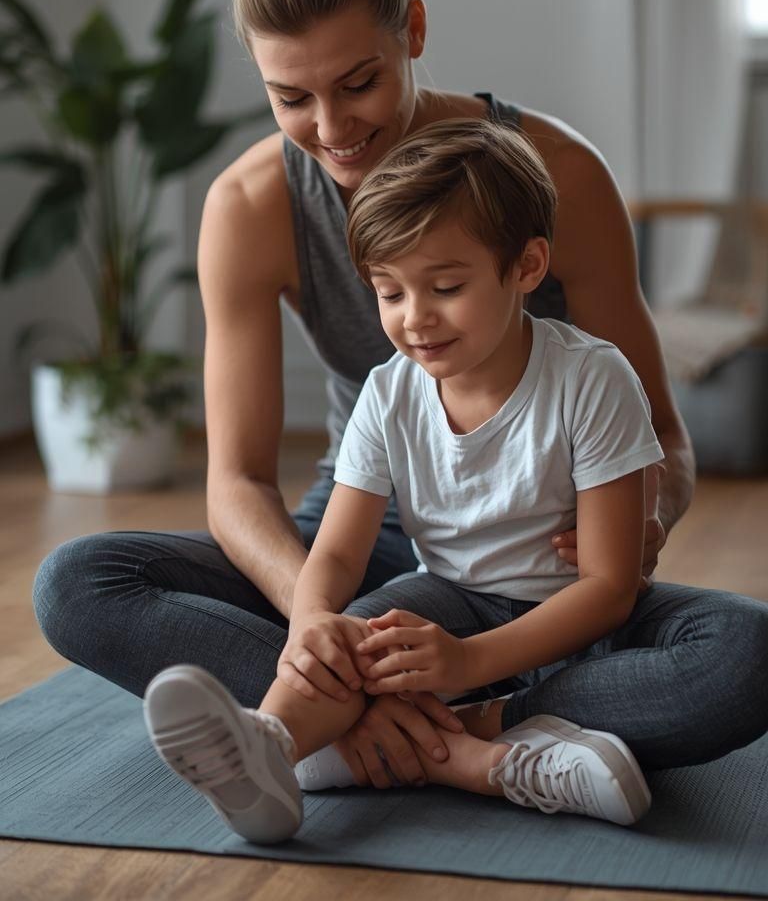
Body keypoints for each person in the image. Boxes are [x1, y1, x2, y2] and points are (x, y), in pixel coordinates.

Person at [32, 0, 767, 797]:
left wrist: (639, 524)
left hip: (547, 552)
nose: (333, 131)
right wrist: (314, 622)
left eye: (359, 83)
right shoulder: (252, 207)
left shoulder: (561, 178)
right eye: (290, 98)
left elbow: (663, 433)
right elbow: (238, 482)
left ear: (412, 32)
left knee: (744, 655)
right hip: (373, 521)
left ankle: (399, 722)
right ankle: (437, 730)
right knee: (78, 584)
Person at [142, 118, 760, 843]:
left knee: (746, 651)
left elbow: (609, 588)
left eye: (445, 286)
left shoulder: (592, 378)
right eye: (390, 293)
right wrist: (311, 630)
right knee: (355, 633)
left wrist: (468, 662)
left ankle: (446, 742)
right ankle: (272, 747)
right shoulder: (388, 392)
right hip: (448, 598)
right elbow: (337, 556)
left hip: (578, 623)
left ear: (527, 267)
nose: (415, 320)